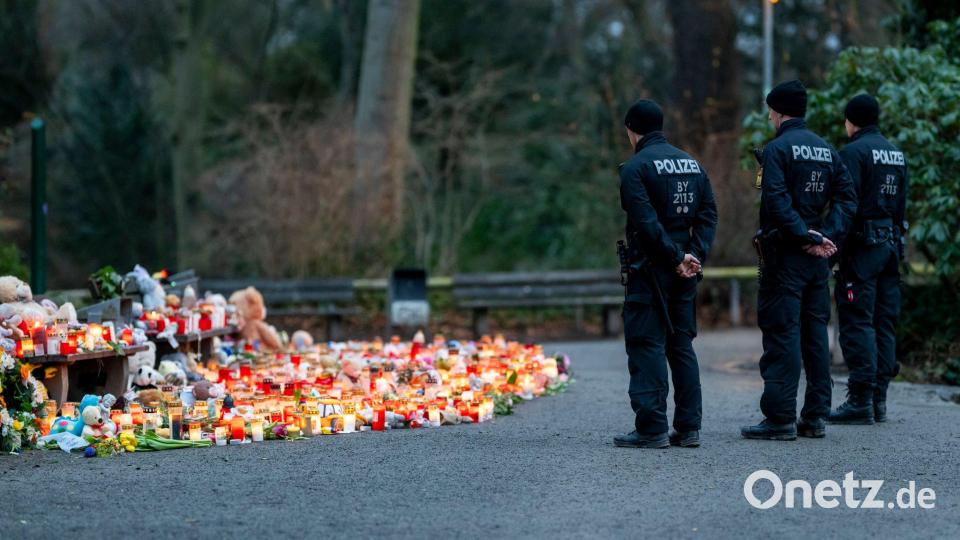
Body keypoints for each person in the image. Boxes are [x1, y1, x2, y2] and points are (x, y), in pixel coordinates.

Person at [741, 80, 857, 441]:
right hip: (817, 260)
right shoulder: (826, 149)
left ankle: (779, 418)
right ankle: (815, 416)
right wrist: (826, 238)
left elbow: (775, 200)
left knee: (782, 333)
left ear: (778, 112)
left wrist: (802, 236)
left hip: (785, 258)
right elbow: (847, 198)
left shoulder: (777, 150)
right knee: (815, 337)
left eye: (771, 111)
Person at [614, 99, 717, 449]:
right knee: (681, 345)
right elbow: (708, 214)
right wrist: (694, 255)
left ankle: (651, 428)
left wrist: (674, 257)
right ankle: (689, 428)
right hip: (686, 269)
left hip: (652, 269)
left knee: (647, 343)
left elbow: (645, 223)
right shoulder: (692, 164)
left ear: (632, 129)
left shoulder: (635, 168)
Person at [828, 94, 908, 425]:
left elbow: (847, 205)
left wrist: (833, 245)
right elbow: (902, 205)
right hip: (891, 246)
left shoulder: (853, 153)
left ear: (852, 121)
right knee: (883, 322)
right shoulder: (896, 154)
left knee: (857, 319)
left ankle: (860, 399)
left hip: (862, 248)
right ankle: (879, 400)